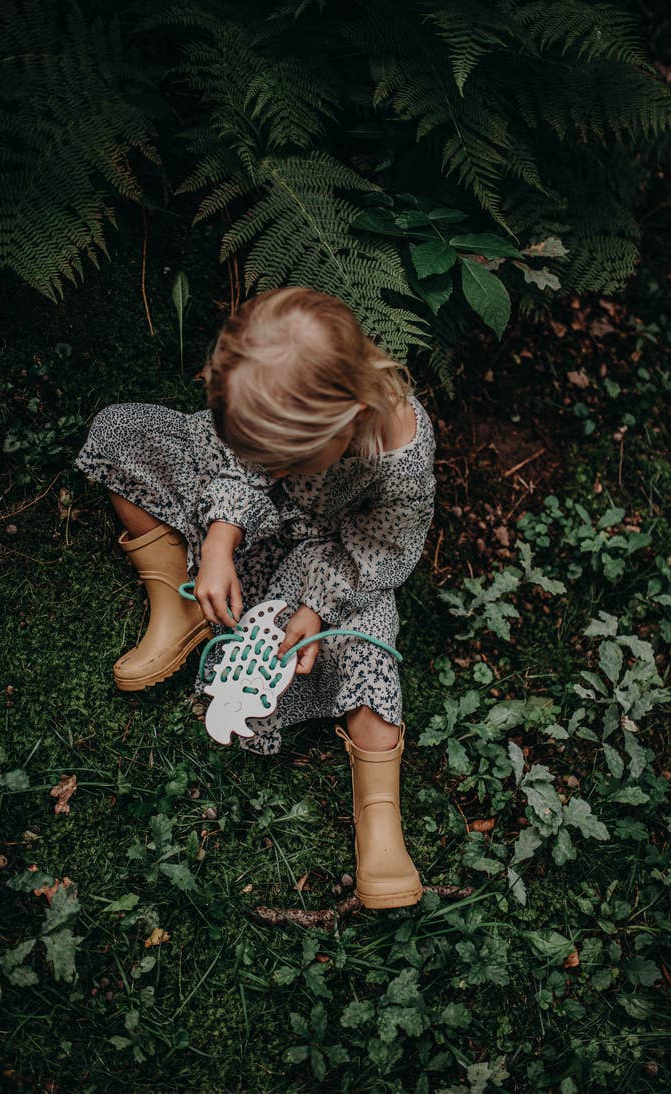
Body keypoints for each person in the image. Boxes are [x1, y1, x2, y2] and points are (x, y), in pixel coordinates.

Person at [74, 286, 437, 909]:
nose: (265, 459)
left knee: (372, 649)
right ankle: (180, 600)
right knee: (121, 432)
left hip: (327, 566)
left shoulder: (397, 456)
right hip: (252, 526)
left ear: (346, 420)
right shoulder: (272, 400)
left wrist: (315, 606)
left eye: (285, 458)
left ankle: (379, 819)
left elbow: (376, 550)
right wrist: (219, 538)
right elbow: (234, 463)